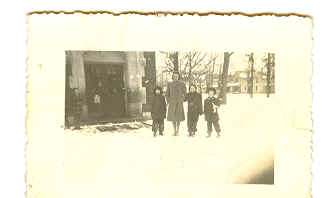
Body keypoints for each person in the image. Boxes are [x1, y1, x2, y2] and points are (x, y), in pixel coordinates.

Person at [165, 72, 187, 136]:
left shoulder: (182, 84)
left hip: (179, 103)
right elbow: (167, 94)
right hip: (172, 103)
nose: (175, 77)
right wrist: (168, 101)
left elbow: (185, 93)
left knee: (178, 117)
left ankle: (178, 130)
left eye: (177, 76)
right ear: (172, 76)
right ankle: (174, 130)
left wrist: (182, 99)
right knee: (173, 117)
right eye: (174, 76)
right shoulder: (169, 84)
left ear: (178, 76)